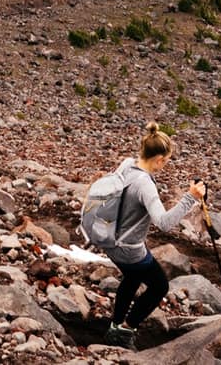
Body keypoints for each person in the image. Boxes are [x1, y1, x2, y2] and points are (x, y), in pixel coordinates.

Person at [82, 122, 204, 349]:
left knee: (132, 277)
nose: (165, 166)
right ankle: (126, 330)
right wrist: (190, 197)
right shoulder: (145, 185)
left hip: (109, 237)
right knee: (159, 286)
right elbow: (164, 223)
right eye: (166, 161)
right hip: (128, 248)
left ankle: (115, 325)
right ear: (158, 159)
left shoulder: (127, 165)